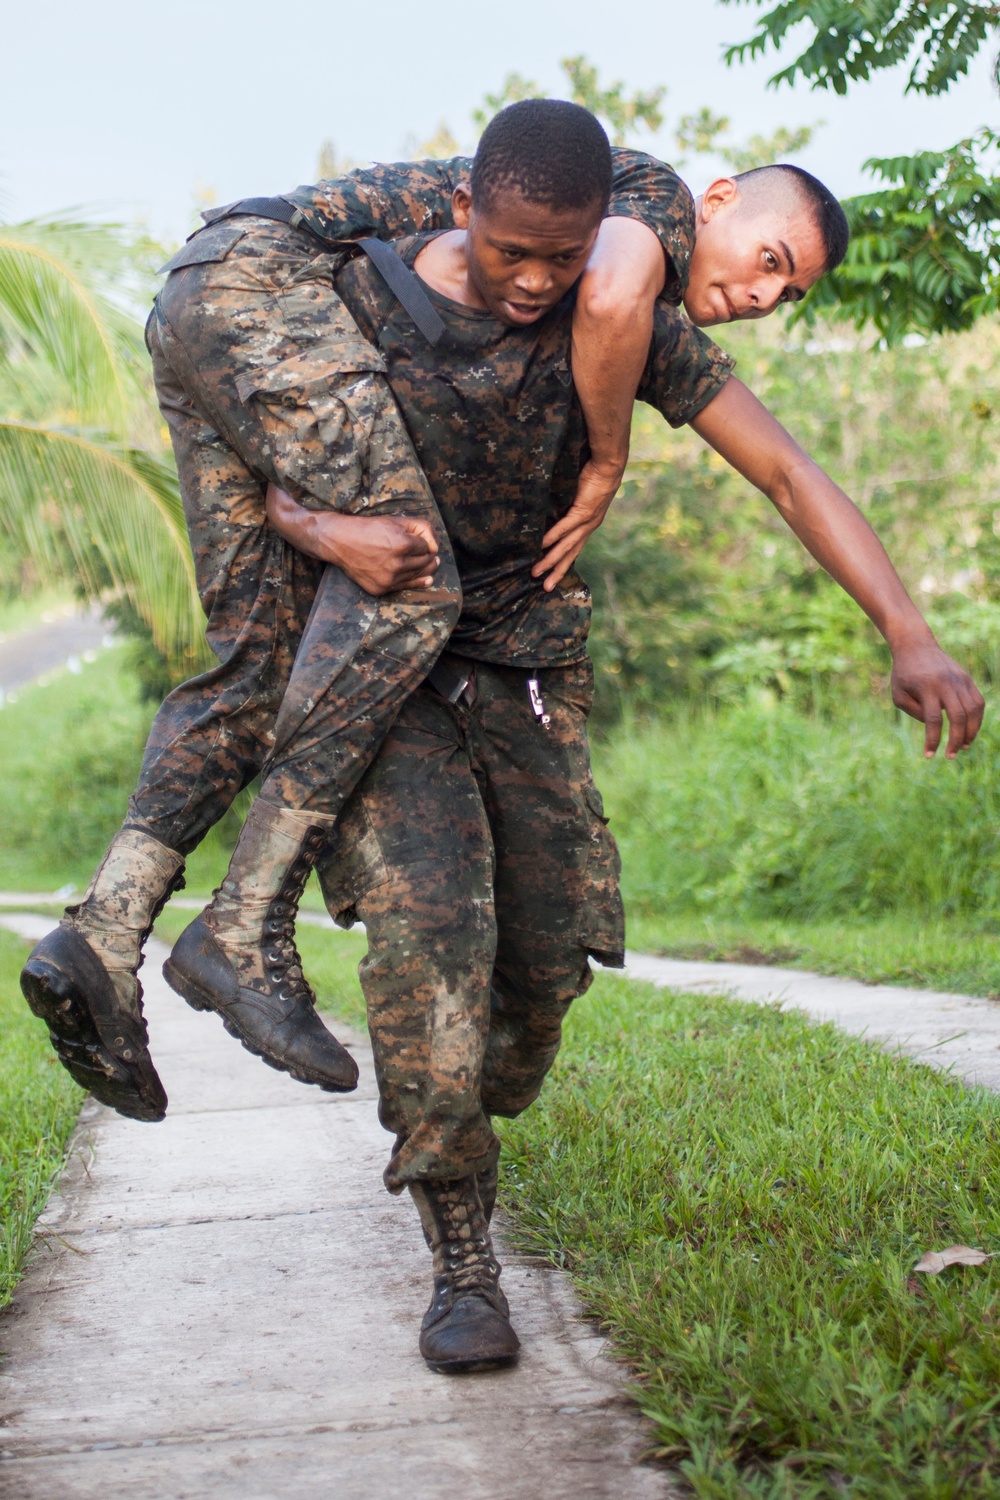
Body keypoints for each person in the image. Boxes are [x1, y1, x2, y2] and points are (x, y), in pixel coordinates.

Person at [244, 101, 983, 1372]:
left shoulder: (638, 334)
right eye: (764, 259)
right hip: (390, 669)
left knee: (537, 981)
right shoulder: (383, 292)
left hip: (525, 670)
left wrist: (907, 628)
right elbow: (257, 454)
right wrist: (326, 531)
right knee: (434, 942)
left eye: (786, 287)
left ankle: (471, 1104)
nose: (761, 295)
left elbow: (792, 473)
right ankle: (462, 1252)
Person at [19, 132, 689, 1122]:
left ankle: (105, 935)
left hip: (199, 299)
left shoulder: (514, 191)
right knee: (417, 580)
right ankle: (243, 924)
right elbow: (616, 292)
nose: (763, 296)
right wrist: (605, 458)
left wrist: (315, 521)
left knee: (256, 664)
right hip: (260, 289)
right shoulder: (645, 194)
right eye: (774, 262)